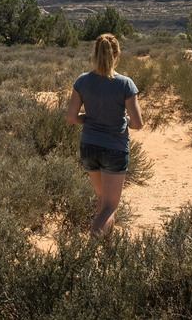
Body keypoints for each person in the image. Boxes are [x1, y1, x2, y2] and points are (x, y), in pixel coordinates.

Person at [64, 33, 143, 237]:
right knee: (111, 205)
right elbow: (138, 124)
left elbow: (71, 118)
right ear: (117, 54)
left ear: (95, 53)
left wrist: (89, 119)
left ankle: (106, 252)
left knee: (102, 199)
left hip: (89, 146)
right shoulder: (125, 84)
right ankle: (93, 242)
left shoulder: (82, 81)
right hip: (114, 148)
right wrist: (122, 121)